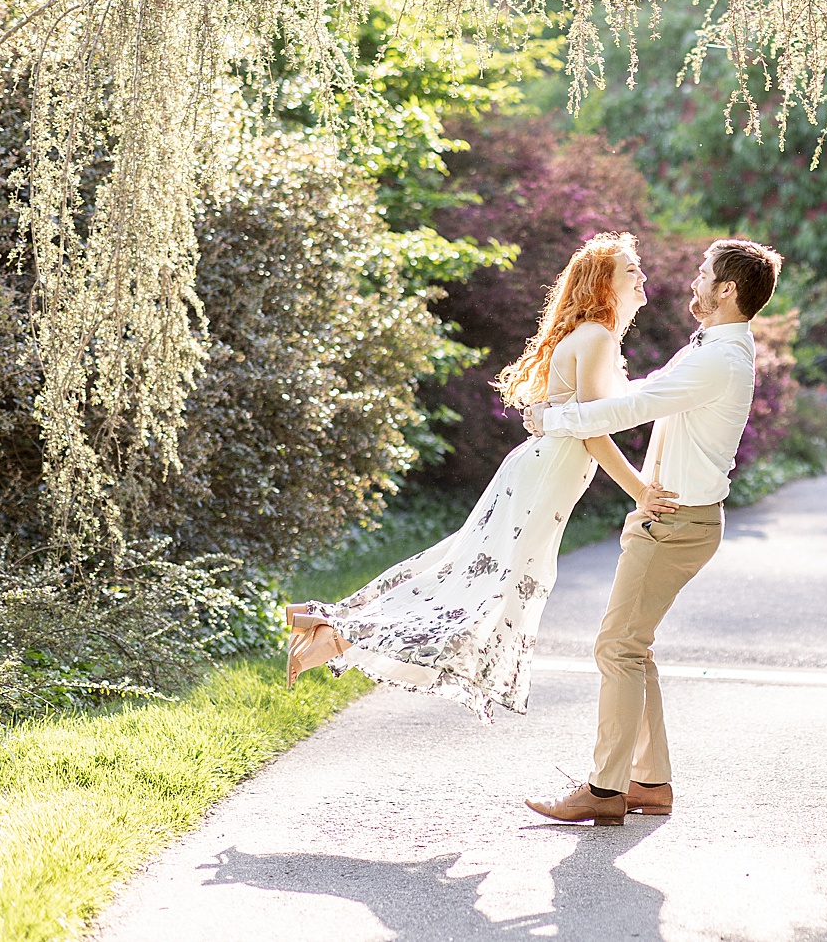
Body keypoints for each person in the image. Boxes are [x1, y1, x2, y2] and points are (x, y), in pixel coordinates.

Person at [282, 232, 678, 718]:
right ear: (602, 284)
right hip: (545, 477)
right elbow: (593, 431)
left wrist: (674, 380)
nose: (642, 276)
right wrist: (640, 491)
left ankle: (325, 623)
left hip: (541, 474)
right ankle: (336, 634)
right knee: (485, 586)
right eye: (630, 269)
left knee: (467, 570)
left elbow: (614, 404)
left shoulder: (598, 340)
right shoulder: (595, 337)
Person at [520, 237, 782, 825]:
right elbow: (639, 394)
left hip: (676, 522)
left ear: (727, 290)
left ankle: (605, 791)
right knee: (634, 651)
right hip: (671, 517)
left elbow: (632, 409)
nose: (693, 281)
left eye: (703, 273)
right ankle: (649, 783)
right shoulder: (712, 348)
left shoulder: (720, 357)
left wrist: (551, 418)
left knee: (616, 648)